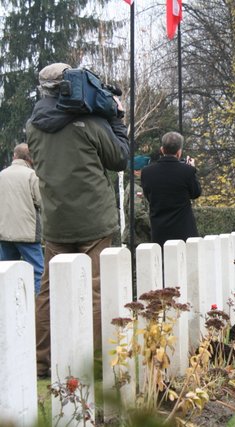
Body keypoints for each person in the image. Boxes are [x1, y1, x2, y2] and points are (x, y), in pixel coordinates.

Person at [26, 62, 130, 377]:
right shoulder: (91, 123)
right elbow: (119, 158)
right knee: (96, 289)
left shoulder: (33, 127)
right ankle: (96, 362)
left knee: (48, 293)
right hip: (93, 220)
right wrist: (116, 119)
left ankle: (41, 361)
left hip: (56, 221)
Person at [141, 132, 201, 247]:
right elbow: (195, 193)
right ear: (179, 152)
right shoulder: (187, 171)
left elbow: (148, 196)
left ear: (162, 149)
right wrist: (192, 170)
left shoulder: (147, 172)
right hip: (184, 230)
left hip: (160, 230)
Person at [0, 143, 44, 295]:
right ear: (30, 158)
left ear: (14, 156)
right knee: (38, 271)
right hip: (27, 233)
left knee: (5, 271)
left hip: (4, 232)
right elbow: (41, 201)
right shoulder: (32, 175)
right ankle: (38, 304)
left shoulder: (1, 175)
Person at [123, 155, 151, 247]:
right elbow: (138, 213)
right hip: (138, 239)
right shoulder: (136, 189)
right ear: (136, 171)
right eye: (145, 169)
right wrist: (153, 225)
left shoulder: (138, 186)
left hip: (140, 239)